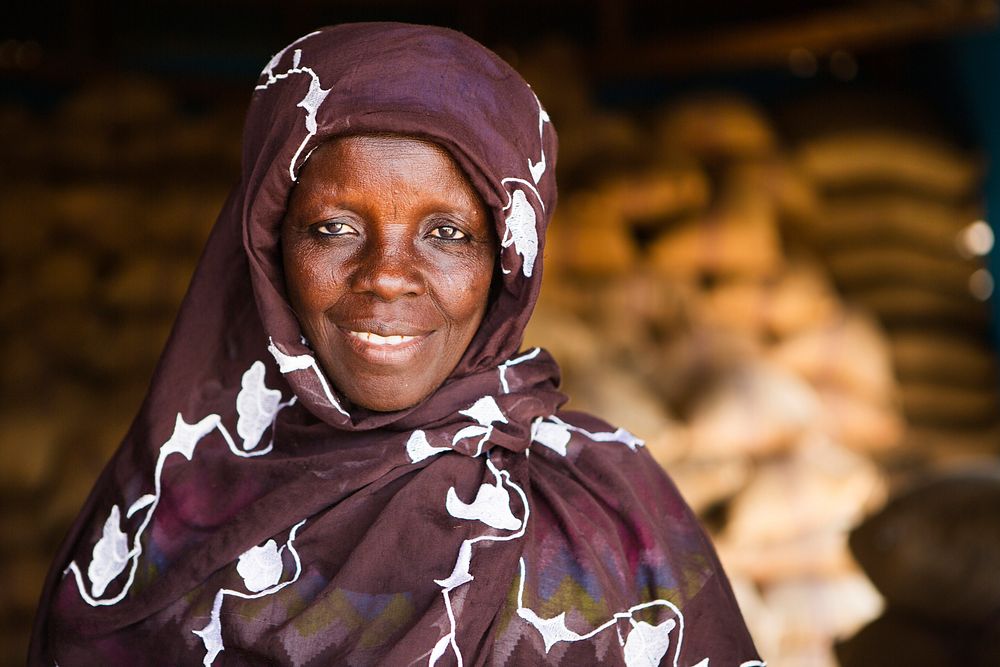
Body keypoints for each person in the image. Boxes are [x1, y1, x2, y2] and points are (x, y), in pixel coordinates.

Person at [30, 23, 761, 666]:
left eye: (447, 234)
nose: (385, 278)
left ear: (508, 259)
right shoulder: (169, 508)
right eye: (334, 228)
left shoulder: (606, 513)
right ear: (266, 242)